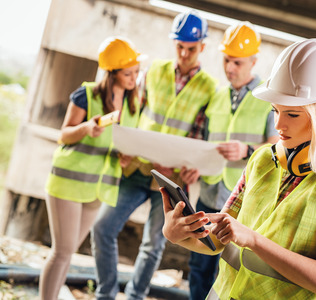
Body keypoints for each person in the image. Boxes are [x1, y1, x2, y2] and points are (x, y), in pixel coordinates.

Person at [161, 38, 316, 300]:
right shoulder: (262, 160)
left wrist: (253, 239)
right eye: (275, 110)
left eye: (293, 114)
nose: (279, 124)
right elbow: (219, 240)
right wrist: (175, 233)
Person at [91, 10, 217, 300]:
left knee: (153, 244)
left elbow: (202, 135)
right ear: (174, 44)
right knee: (102, 228)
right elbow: (135, 112)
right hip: (138, 168)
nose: (184, 54)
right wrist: (125, 147)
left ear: (202, 48)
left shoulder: (209, 87)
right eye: (179, 46)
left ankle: (134, 297)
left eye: (191, 49)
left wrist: (193, 166)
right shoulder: (154, 70)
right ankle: (105, 294)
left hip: (171, 181)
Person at [39, 36, 142, 300]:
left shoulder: (133, 105)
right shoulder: (86, 94)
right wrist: (86, 127)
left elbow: (122, 145)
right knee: (62, 252)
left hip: (99, 189)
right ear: (112, 73)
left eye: (136, 72)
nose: (134, 78)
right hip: (69, 181)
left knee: (68, 252)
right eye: (128, 73)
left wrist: (126, 160)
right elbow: (64, 134)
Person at [185, 21, 278, 300]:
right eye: (227, 60)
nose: (230, 68)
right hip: (209, 192)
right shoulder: (216, 95)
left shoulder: (268, 98)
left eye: (237, 62)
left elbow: (278, 146)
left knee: (224, 269)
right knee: (198, 265)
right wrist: (195, 166)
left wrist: (247, 150)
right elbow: (205, 141)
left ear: (253, 61)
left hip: (242, 199)